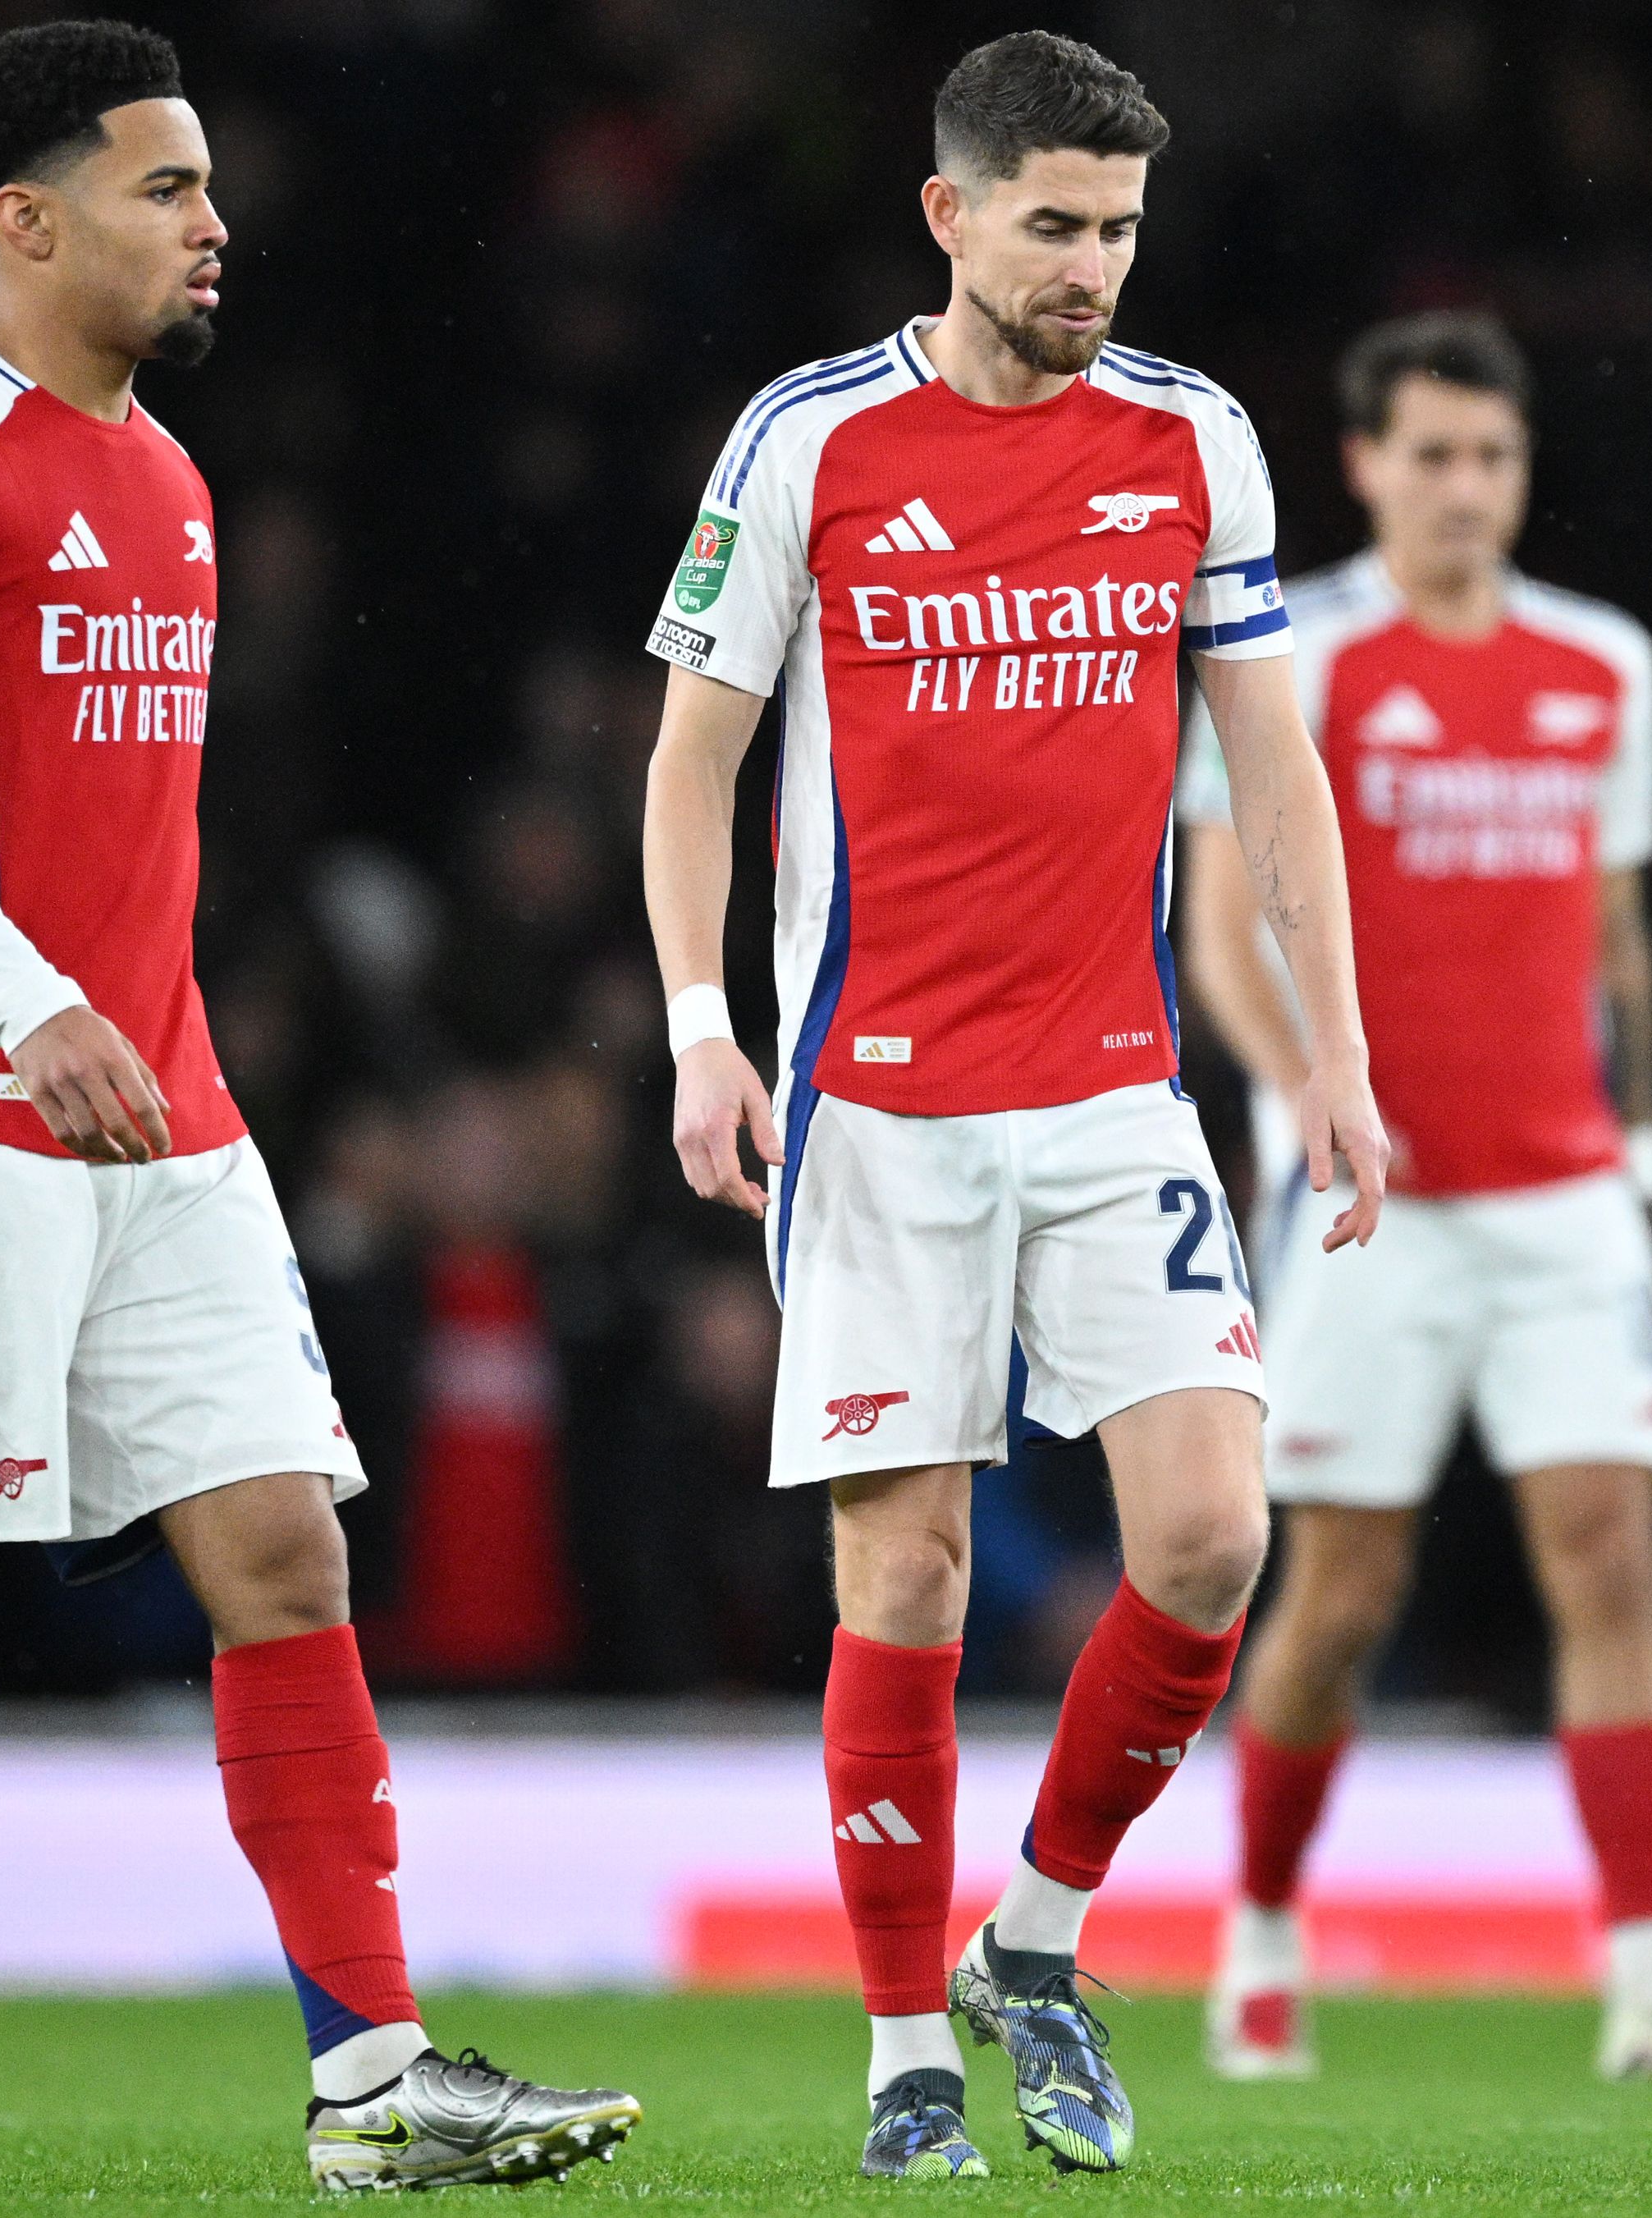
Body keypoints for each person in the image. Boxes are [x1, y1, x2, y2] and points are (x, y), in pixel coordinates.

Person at [0, 24, 635, 2196]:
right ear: (24, 219)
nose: (214, 223)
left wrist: (146, 1032)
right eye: (165, 188)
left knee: (283, 1543)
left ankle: (374, 2077)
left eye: (210, 187)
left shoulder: (170, 471)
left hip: (159, 1102)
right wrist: (34, 1006)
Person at [638, 31, 1388, 2182]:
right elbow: (693, 753)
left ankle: (1031, 1935)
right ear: (949, 216)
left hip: (1111, 1088)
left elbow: (1269, 763)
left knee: (1215, 1532)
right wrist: (704, 1022)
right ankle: (901, 2045)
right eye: (1053, 224)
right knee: (911, 1575)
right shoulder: (808, 442)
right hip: (870, 1105)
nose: (1091, 267)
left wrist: (1331, 1049)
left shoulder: (1192, 440)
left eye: (1121, 227)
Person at [1166, 310, 1652, 2087]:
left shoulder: (1604, 665)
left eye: (1490, 457)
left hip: (1563, 1192)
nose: (1461, 488)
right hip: (1372, 1205)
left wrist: (1643, 1140)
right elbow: (1221, 921)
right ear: (1360, 466)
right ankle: (1261, 1931)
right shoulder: (1307, 655)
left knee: (1609, 1559)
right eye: (1427, 454)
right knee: (1342, 1592)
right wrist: (1306, 1107)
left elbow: (1615, 935)